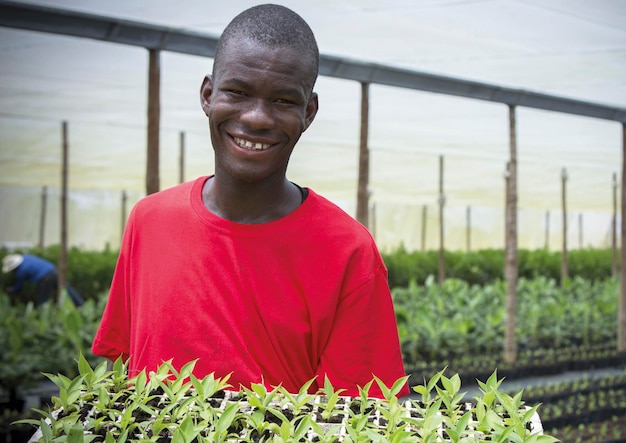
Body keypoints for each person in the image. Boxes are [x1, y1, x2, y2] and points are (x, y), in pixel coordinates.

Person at [92, 4, 408, 398]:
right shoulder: (149, 220)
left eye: (283, 100)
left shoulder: (349, 252)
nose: (257, 117)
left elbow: (361, 420)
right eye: (237, 92)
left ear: (308, 112)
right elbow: (120, 373)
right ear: (208, 95)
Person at [2, 253, 85, 307]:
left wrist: (10, 290)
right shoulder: (26, 257)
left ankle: (41, 318)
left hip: (46, 278)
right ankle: (81, 305)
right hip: (54, 271)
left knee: (43, 299)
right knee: (67, 290)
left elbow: (18, 287)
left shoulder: (21, 271)